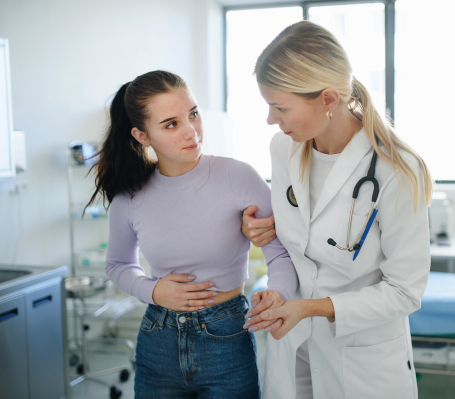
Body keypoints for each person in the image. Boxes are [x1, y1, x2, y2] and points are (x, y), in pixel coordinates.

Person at [241, 21, 434, 399]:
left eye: (280, 107)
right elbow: (308, 233)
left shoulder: (397, 169)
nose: (270, 120)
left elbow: (405, 292)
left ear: (328, 99)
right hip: (293, 344)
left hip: (363, 361)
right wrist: (266, 227)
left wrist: (310, 308)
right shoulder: (284, 149)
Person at [86, 70, 298, 399]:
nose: (192, 132)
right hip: (158, 340)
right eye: (171, 124)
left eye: (194, 115)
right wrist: (153, 291)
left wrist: (278, 291)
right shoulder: (130, 198)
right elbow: (117, 264)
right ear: (142, 136)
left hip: (227, 337)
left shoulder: (237, 176)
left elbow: (279, 252)